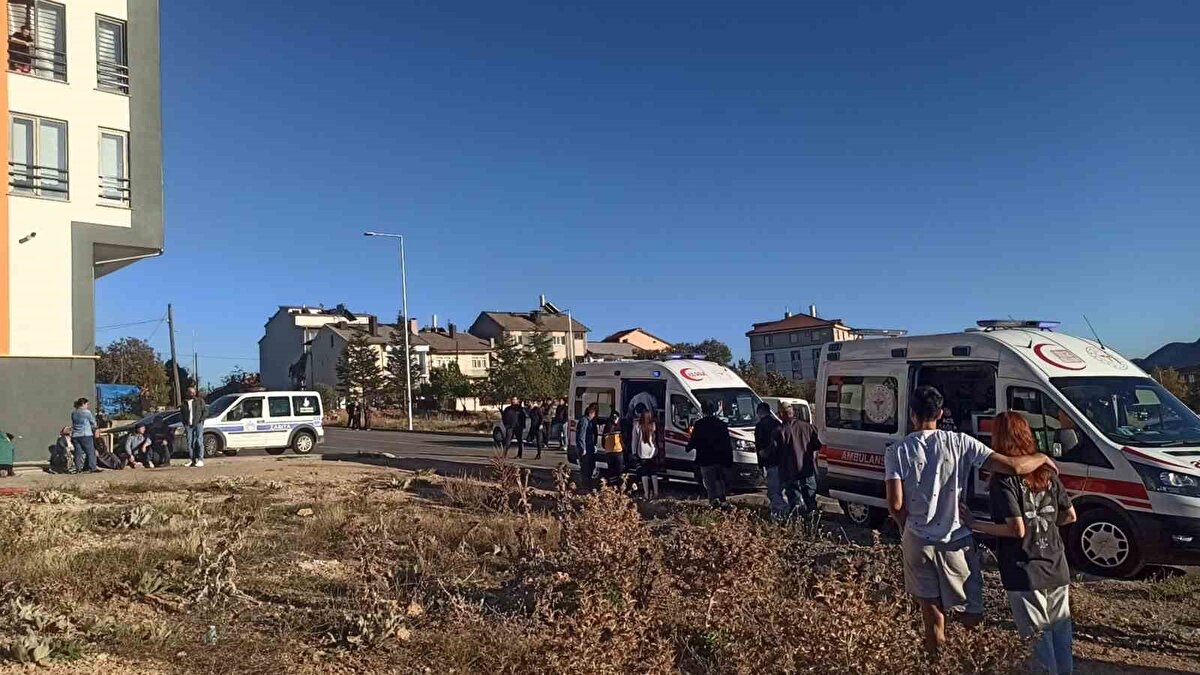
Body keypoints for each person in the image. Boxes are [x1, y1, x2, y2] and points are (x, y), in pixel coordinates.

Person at [886, 385, 1058, 658]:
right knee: (970, 613)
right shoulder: (961, 442)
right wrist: (1042, 457)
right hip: (955, 540)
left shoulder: (897, 450)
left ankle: (937, 663)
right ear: (940, 414)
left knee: (932, 617)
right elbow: (1012, 466)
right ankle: (969, 662)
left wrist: (905, 527)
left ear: (912, 414)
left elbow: (895, 504)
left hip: (917, 541)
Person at [964, 412, 1076, 674]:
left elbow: (1016, 529)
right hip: (1056, 564)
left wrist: (974, 524)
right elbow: (1070, 515)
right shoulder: (1048, 473)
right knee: (1061, 634)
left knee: (1037, 641)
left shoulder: (1003, 481)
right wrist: (1045, 527)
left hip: (1024, 568)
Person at [772, 401, 823, 518]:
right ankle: (813, 517)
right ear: (793, 412)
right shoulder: (808, 427)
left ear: (781, 414)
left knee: (794, 499)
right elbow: (818, 445)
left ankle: (798, 518)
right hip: (807, 467)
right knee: (810, 496)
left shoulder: (779, 431)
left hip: (789, 470)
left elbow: (774, 451)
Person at [687, 399, 734, 508]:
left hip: (705, 458)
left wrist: (688, 447)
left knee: (709, 483)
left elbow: (694, 440)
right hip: (720, 458)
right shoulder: (721, 424)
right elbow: (727, 443)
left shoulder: (699, 425)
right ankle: (723, 501)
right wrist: (729, 460)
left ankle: (713, 503)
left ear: (702, 410)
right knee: (719, 480)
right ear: (713, 410)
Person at [633, 407, 661, 499]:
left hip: (642, 453)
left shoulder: (637, 425)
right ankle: (656, 493)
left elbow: (634, 440)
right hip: (653, 452)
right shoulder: (653, 425)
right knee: (653, 472)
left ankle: (646, 493)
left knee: (644, 473)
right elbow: (655, 439)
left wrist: (634, 452)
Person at [180, 387, 208, 468]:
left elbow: (205, 411)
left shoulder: (200, 401)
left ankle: (200, 459)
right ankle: (192, 460)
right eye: (190, 392)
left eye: (193, 392)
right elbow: (181, 414)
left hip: (198, 423)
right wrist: (184, 423)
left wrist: (201, 420)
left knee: (199, 440)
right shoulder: (184, 403)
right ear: (187, 393)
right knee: (190, 442)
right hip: (188, 425)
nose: (192, 394)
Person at [71, 398, 99, 473]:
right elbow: (93, 422)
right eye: (87, 404)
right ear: (83, 404)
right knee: (90, 452)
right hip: (85, 434)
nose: (87, 406)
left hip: (75, 435)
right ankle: (92, 468)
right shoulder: (86, 412)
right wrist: (95, 428)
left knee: (78, 453)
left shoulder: (74, 413)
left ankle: (78, 468)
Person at [575, 403, 599, 490]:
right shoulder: (584, 421)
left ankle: (588, 484)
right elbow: (581, 435)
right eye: (594, 413)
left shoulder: (590, 422)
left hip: (590, 448)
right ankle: (585, 486)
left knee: (590, 467)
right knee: (585, 468)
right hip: (586, 449)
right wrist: (583, 448)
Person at [601, 410, 626, 485]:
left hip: (609, 452)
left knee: (611, 471)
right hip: (618, 452)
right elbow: (623, 439)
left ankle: (613, 486)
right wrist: (624, 448)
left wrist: (606, 448)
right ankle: (619, 486)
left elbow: (603, 442)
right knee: (619, 472)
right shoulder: (620, 427)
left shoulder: (606, 427)